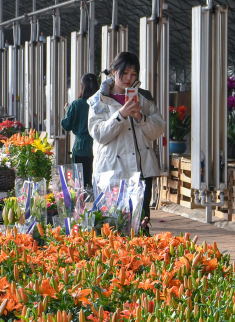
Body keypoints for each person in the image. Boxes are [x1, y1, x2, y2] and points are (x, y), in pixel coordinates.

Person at [87, 51, 165, 233]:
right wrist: (120, 116)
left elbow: (158, 130)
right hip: (111, 173)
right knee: (111, 228)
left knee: (140, 227)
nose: (129, 78)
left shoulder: (144, 98)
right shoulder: (98, 100)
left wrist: (141, 118)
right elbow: (99, 134)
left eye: (133, 74)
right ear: (114, 71)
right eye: (125, 73)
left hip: (141, 171)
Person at [61, 73, 100, 188]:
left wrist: (67, 110)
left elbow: (66, 125)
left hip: (80, 148)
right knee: (95, 181)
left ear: (82, 87)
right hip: (97, 146)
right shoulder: (100, 104)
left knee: (79, 183)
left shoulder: (75, 104)